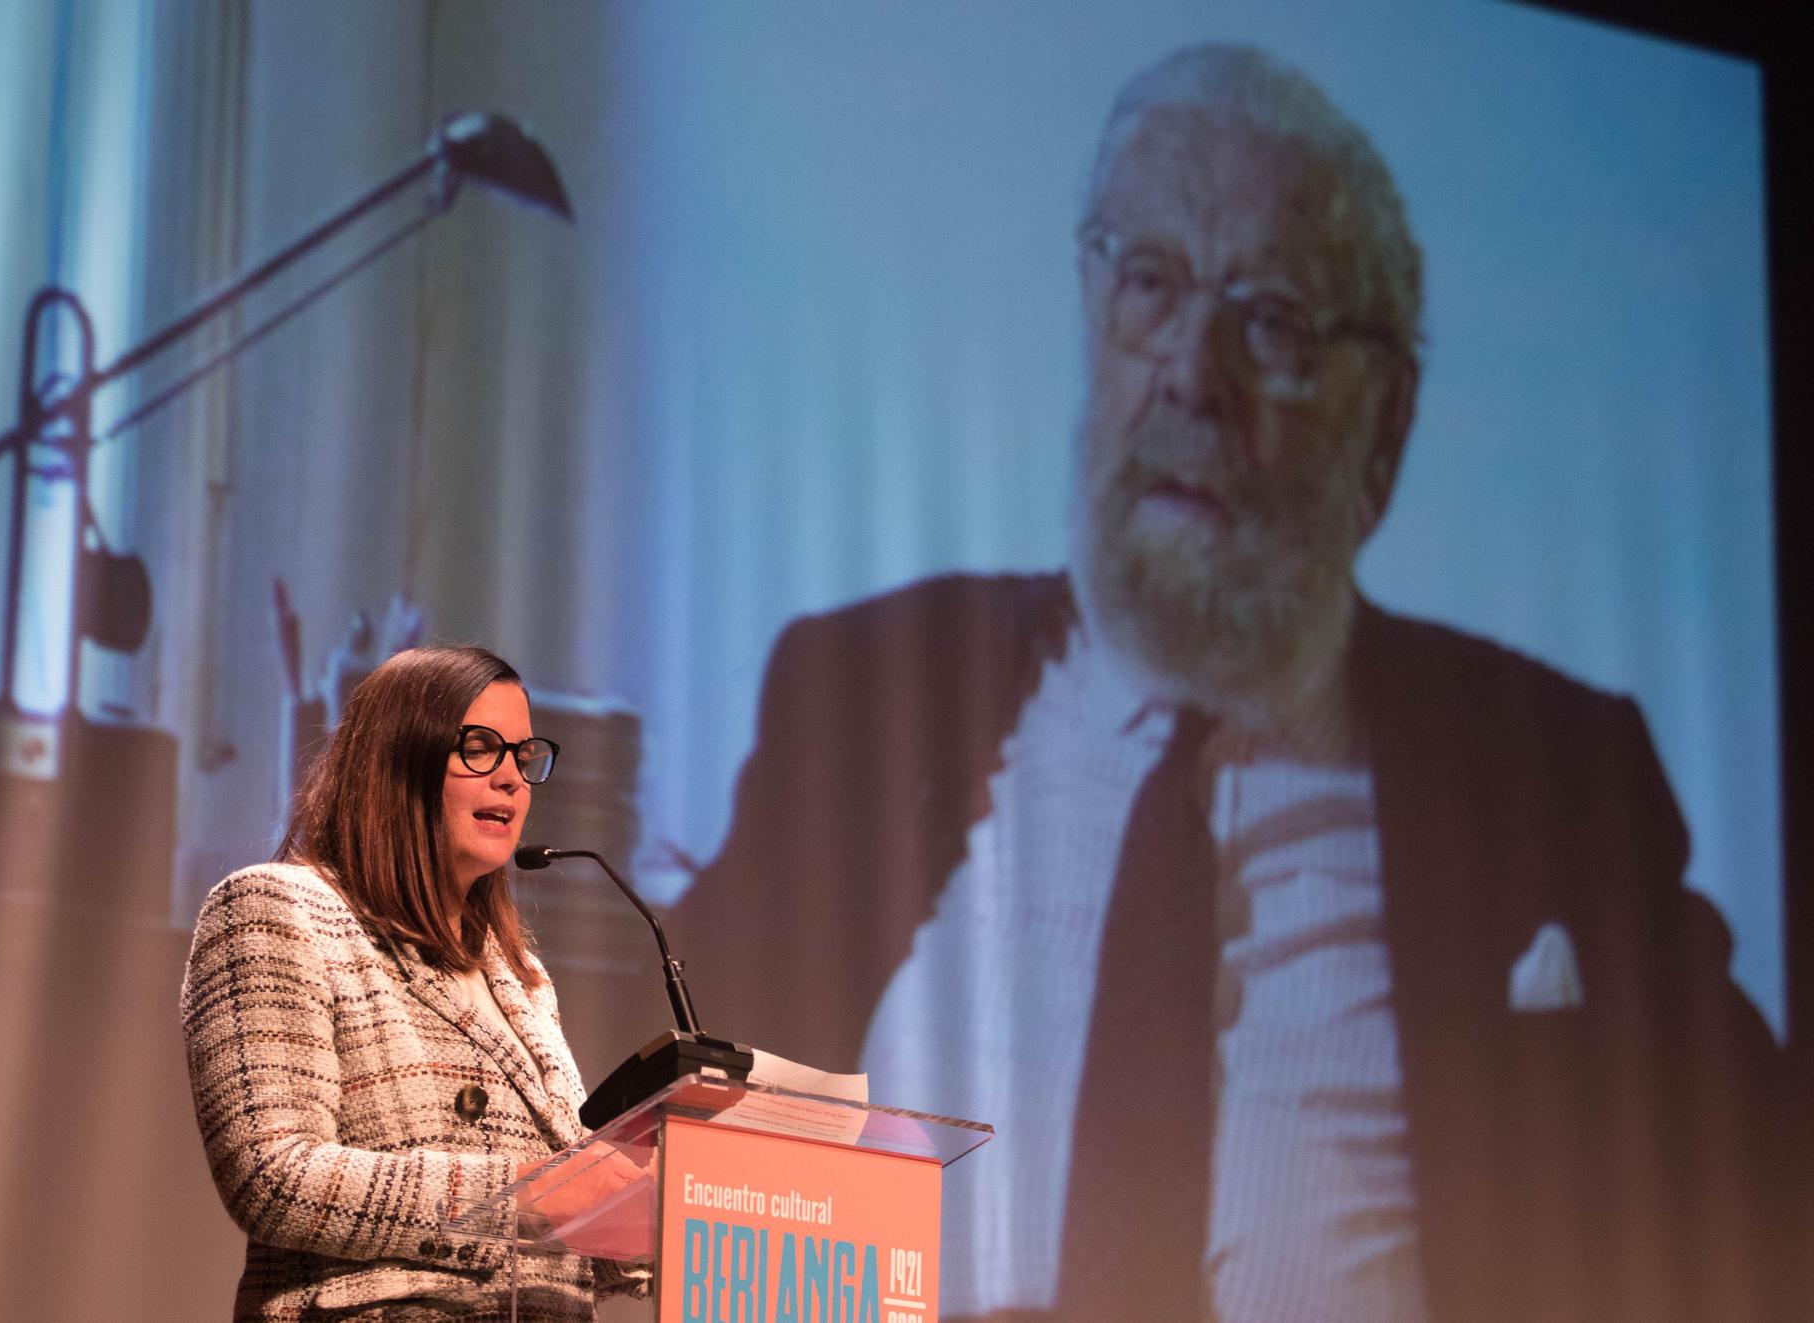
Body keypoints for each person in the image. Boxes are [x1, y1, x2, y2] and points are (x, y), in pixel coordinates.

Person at [671, 44, 1806, 1323]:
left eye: (1268, 320)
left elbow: (1758, 1184)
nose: (1190, 375)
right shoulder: (865, 694)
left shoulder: (1552, 768)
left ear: (1384, 424)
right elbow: (658, 1142)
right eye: (1148, 283)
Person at [182, 645, 645, 1321]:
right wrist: (525, 1194)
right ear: (398, 761)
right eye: (481, 748)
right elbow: (273, 1176)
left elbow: (560, 1225)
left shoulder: (521, 976)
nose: (513, 780)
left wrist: (657, 1211)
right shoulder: (276, 910)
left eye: (523, 755)